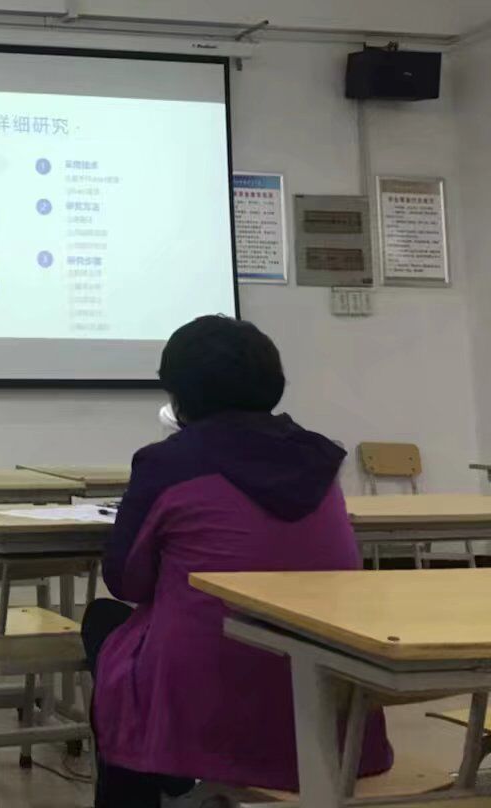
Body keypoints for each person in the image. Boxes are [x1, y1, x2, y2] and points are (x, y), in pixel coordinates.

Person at [83, 314, 391, 806]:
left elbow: (126, 581)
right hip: (329, 697)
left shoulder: (167, 463)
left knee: (105, 625)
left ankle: (162, 779)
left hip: (213, 695)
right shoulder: (319, 459)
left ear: (178, 395)